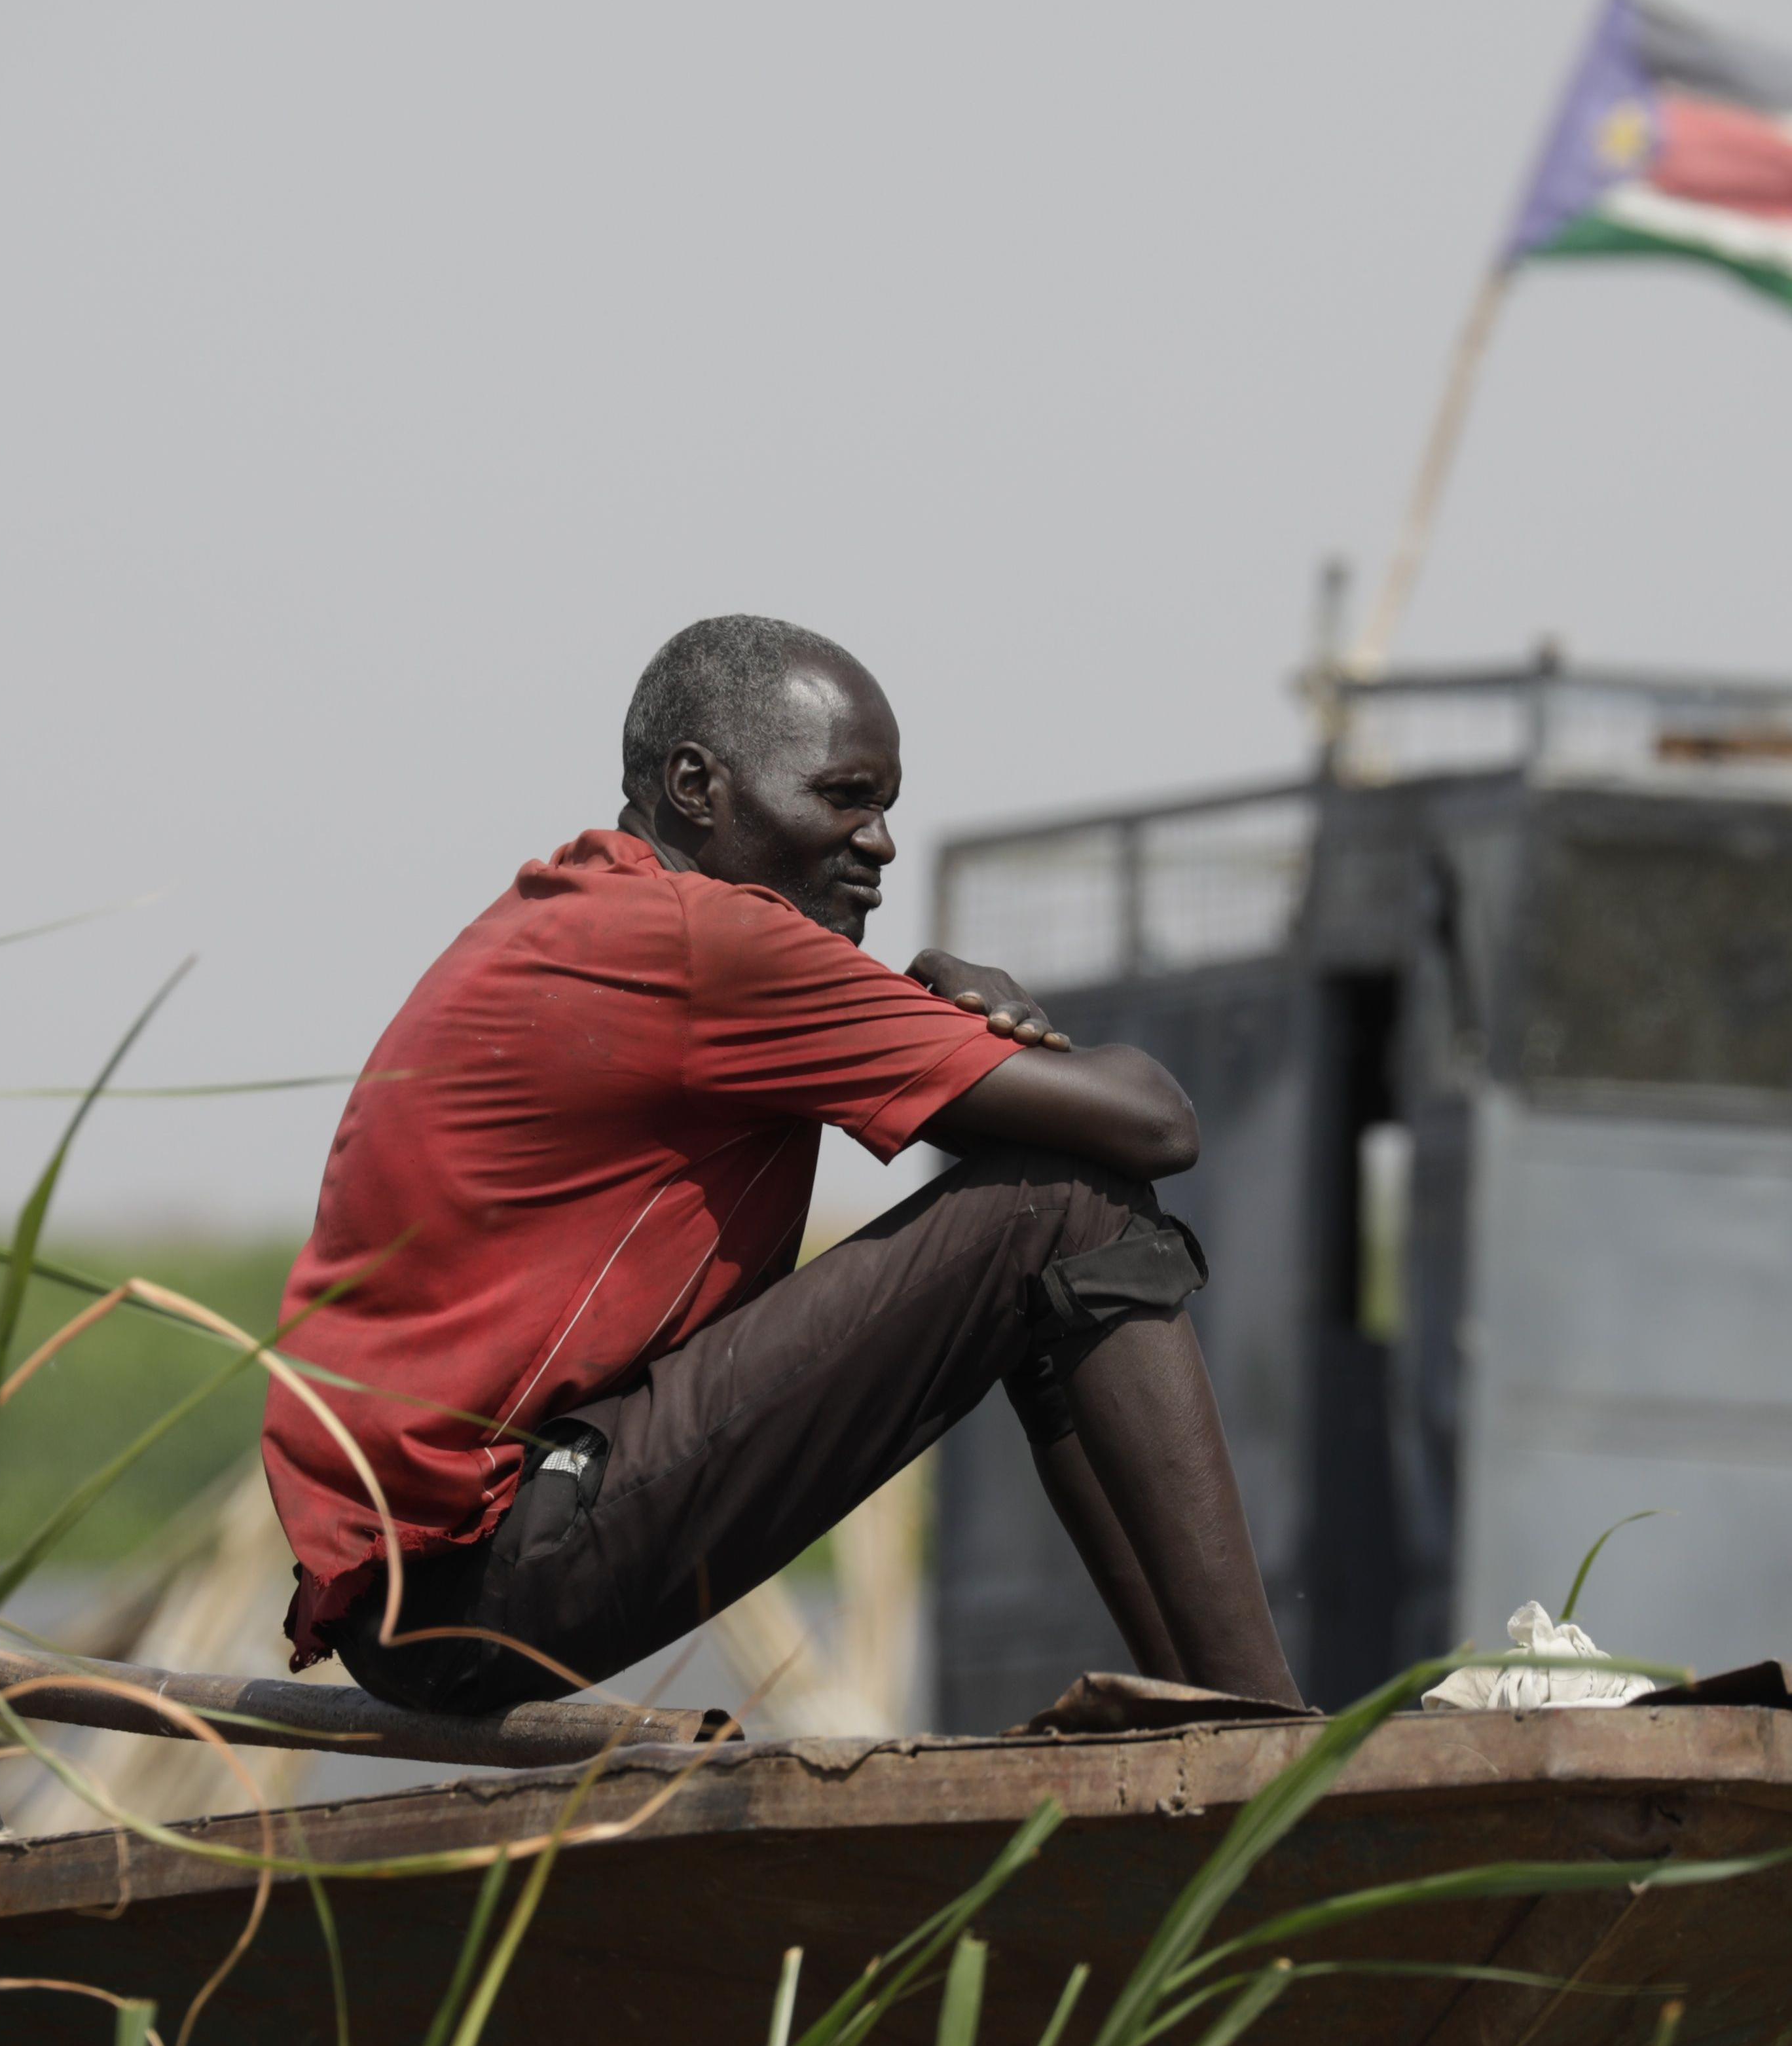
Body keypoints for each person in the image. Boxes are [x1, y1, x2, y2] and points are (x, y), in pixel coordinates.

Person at [262, 613, 1304, 1716]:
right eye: (844, 798)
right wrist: (999, 1015)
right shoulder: (699, 941)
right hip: (485, 1572)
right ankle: (1272, 1731)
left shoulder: (585, 915)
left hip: (431, 1591)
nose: (880, 843)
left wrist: (949, 1031)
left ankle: (1212, 1721)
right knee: (1071, 1212)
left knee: (1043, 1244)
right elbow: (1153, 1125)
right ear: (697, 786)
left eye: (887, 808)